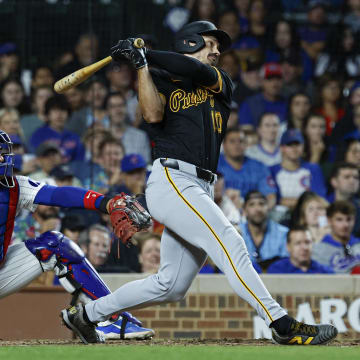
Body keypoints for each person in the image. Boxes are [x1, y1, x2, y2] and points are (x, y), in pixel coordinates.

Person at [61, 21, 337, 345]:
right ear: (190, 43)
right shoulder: (160, 77)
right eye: (209, 43)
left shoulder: (220, 82)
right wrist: (141, 67)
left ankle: (86, 315)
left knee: (170, 285)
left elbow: (188, 68)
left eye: (218, 46)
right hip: (173, 178)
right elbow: (151, 114)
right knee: (231, 241)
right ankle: (280, 322)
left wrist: (144, 54)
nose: (217, 51)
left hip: (200, 186)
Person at [0, 130, 154, 342]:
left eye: (3, 153)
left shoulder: (14, 187)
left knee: (56, 245)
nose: (3, 159)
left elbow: (58, 194)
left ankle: (110, 319)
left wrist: (105, 202)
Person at [218, 127, 277, 208]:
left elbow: (270, 197)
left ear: (246, 145)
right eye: (232, 141)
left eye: (241, 141)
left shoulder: (259, 167)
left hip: (251, 215)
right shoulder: (214, 165)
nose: (237, 145)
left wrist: (259, 212)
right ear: (224, 145)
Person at [270, 129, 326, 211]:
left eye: (297, 144)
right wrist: (304, 201)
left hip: (307, 214)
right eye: (289, 145)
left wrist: (286, 201)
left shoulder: (313, 169)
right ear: (282, 148)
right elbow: (275, 199)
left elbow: (318, 198)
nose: (294, 148)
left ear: (303, 146)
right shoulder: (272, 170)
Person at [239, 191, 288, 269]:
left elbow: (285, 264)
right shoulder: (236, 232)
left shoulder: (283, 233)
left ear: (268, 207)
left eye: (261, 204)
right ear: (244, 210)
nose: (258, 209)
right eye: (252, 204)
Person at [29, 95, 85, 163]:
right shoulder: (38, 135)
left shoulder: (74, 137)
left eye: (63, 110)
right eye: (55, 110)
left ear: (68, 114)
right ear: (47, 114)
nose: (59, 114)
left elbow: (80, 162)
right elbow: (34, 159)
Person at [312, 201, 360, 273]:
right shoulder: (318, 250)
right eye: (339, 219)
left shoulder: (358, 245)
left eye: (349, 219)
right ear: (329, 221)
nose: (345, 225)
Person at [238, 62, 287, 129]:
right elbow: (246, 131)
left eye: (278, 78)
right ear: (261, 81)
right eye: (269, 79)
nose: (275, 83)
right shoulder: (250, 104)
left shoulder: (288, 103)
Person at [267, 226, 334, 274]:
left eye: (307, 242)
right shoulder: (277, 270)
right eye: (298, 243)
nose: (304, 247)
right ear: (288, 247)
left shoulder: (325, 272)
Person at [327, 162, 360, 236]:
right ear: (334, 182)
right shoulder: (322, 205)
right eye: (347, 177)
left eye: (356, 178)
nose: (352, 181)